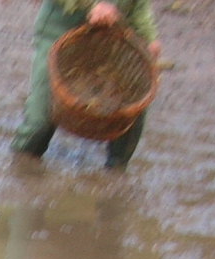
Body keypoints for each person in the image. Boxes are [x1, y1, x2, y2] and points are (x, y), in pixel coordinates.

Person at [11, 0, 161, 170]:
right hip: (60, 31)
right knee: (39, 125)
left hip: (109, 39)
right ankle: (21, 165)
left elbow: (138, 5)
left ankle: (117, 172)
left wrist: (149, 37)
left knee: (133, 106)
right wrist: (92, 5)